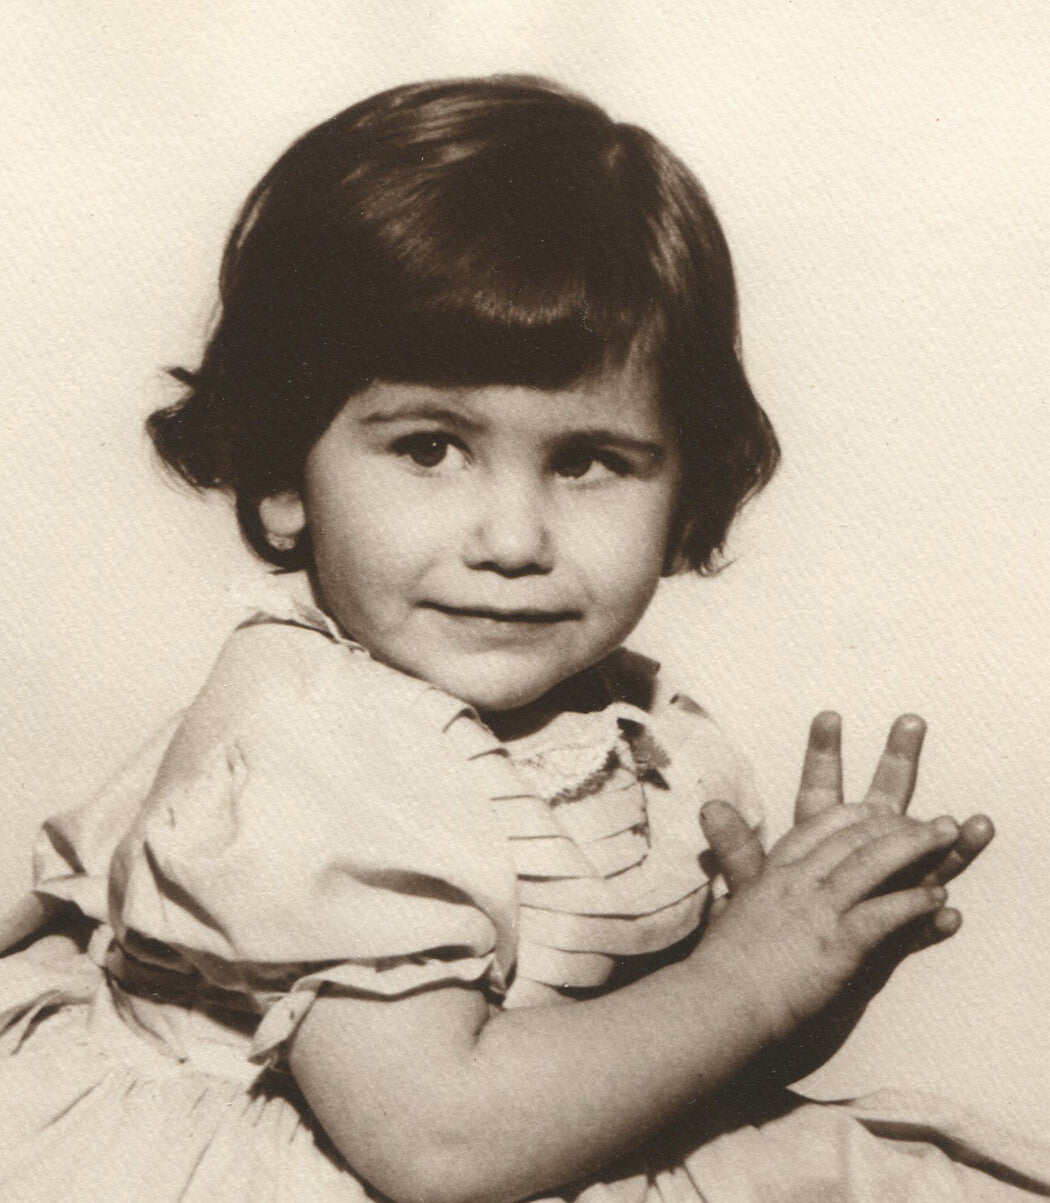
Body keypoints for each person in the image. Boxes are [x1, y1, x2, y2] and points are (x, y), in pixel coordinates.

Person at [0, 75, 1046, 1202]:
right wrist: (746, 983)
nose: (512, 539)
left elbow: (615, 1071)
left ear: (687, 489)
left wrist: (802, 982)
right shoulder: (317, 737)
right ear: (281, 469)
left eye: (588, 461)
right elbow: (436, 1143)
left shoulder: (630, 731)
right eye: (429, 449)